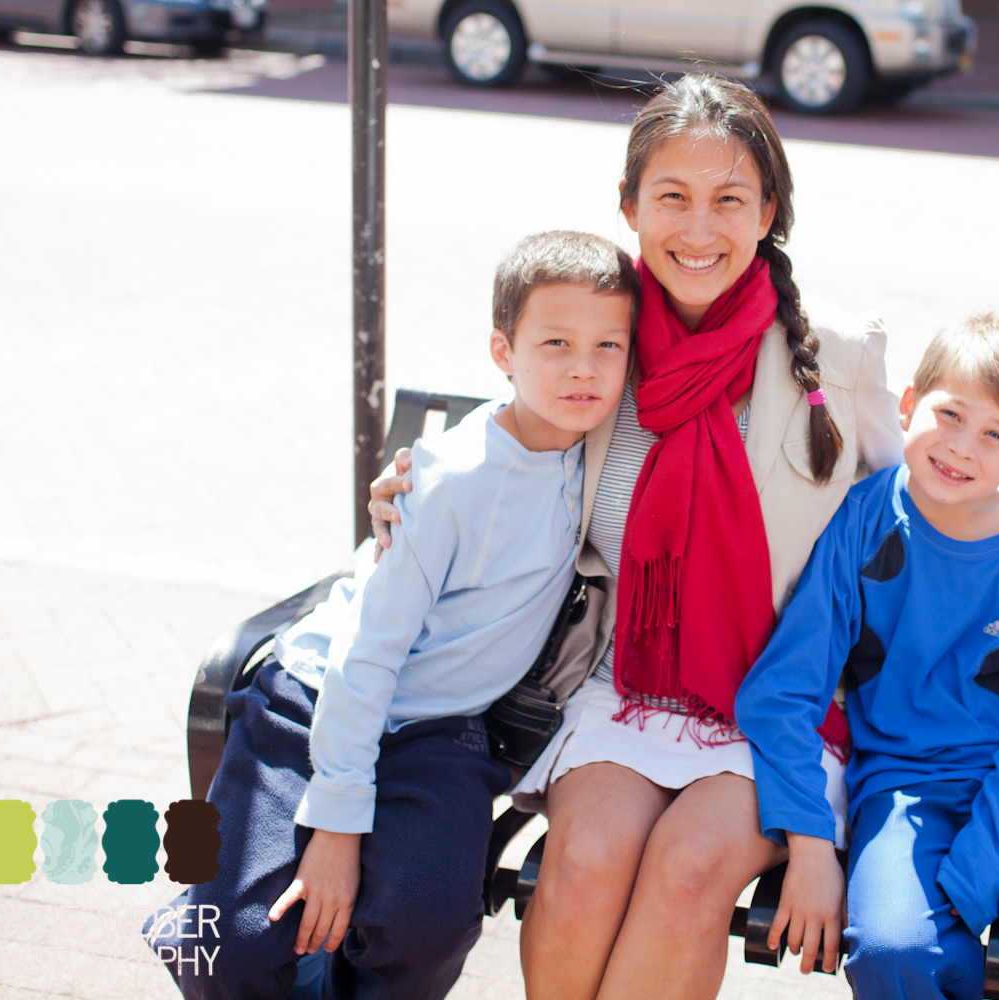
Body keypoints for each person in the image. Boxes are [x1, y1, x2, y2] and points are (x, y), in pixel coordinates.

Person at [371, 74, 905, 1000]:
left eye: (729, 200)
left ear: (768, 212)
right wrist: (415, 480)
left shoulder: (838, 355)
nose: (699, 230)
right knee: (585, 856)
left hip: (780, 708)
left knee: (689, 867)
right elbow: (513, 442)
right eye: (672, 197)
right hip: (628, 683)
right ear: (629, 207)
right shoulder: (603, 337)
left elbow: (914, 512)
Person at [148, 231, 638, 1000]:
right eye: (556, 343)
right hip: (314, 699)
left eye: (609, 345)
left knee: (425, 918)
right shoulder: (450, 483)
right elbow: (366, 655)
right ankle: (197, 922)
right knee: (230, 943)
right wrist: (337, 827)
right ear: (503, 352)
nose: (585, 367)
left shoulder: (603, 447)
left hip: (440, 728)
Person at [735, 313, 999, 999]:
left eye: (994, 435)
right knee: (893, 951)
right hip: (903, 782)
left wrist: (982, 862)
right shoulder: (863, 522)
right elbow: (782, 692)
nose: (960, 447)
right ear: (908, 404)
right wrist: (809, 844)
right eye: (949, 414)